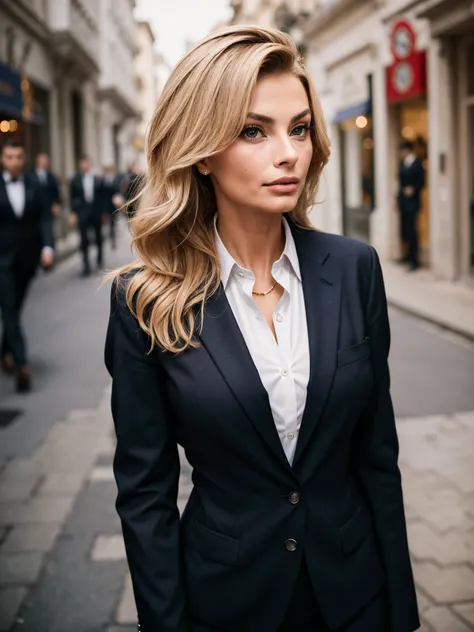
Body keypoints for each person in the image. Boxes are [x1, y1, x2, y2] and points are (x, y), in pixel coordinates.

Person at [105, 26, 419, 632]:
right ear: (201, 150)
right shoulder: (144, 301)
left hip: (355, 595)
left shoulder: (355, 269)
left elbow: (378, 458)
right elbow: (144, 494)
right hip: (228, 602)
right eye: (254, 131)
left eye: (299, 129)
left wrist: (401, 612)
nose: (289, 153)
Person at [0, 140, 54, 392]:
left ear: (24, 159)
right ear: (3, 159)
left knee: (15, 308)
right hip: (2, 262)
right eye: (9, 157)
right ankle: (21, 364)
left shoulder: (35, 184)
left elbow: (44, 219)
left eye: (18, 156)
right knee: (10, 308)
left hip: (27, 261)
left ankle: (6, 352)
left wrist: (47, 248)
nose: (14, 161)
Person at [69, 155, 104, 276]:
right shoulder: (75, 180)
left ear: (90, 164)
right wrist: (73, 213)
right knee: (83, 238)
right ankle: (86, 265)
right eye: (82, 163)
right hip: (82, 212)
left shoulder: (97, 179)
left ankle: (100, 257)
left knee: (98, 235)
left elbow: (101, 197)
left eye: (86, 163)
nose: (84, 165)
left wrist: (104, 213)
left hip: (96, 212)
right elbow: (72, 198)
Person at [397, 140, 425, 271]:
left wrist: (413, 189)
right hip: (403, 202)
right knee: (405, 230)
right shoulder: (403, 164)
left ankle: (414, 259)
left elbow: (421, 182)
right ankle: (407, 256)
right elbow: (400, 183)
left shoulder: (417, 164)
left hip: (412, 203)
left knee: (413, 230)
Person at [32, 152, 61, 219]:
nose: (44, 161)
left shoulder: (52, 177)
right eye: (42, 159)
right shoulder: (30, 176)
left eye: (46, 160)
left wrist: (56, 204)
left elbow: (55, 193)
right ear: (37, 160)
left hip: (48, 211)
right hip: (34, 211)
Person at [102, 165, 122, 250]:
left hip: (113, 206)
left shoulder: (115, 180)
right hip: (106, 206)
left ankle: (112, 237)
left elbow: (117, 191)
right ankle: (111, 236)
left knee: (112, 223)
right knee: (109, 222)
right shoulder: (103, 181)